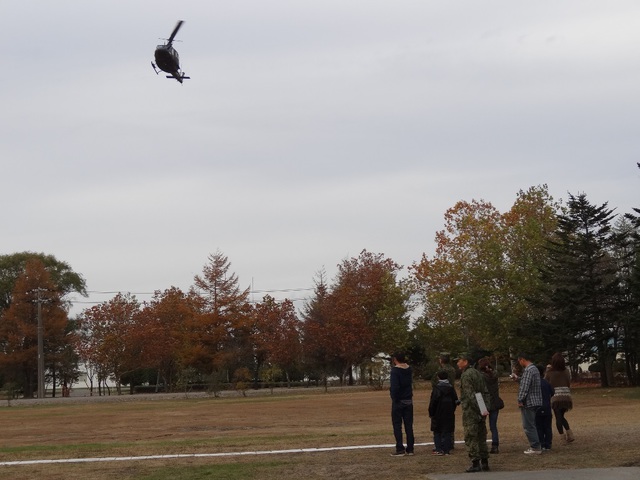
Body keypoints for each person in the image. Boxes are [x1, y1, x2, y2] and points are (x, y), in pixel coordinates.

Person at [456, 353, 490, 472]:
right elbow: (484, 392)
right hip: (481, 407)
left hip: (471, 410)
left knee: (471, 436)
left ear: (465, 362)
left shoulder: (466, 375)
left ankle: (475, 463)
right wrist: (484, 409)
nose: (457, 363)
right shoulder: (477, 373)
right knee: (481, 436)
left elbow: (470, 395)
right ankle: (485, 462)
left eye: (459, 360)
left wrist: (477, 409)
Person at [513, 352, 543, 455]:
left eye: (519, 361)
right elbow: (527, 382)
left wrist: (520, 400)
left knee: (528, 426)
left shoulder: (528, 370)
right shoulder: (534, 369)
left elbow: (525, 387)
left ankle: (535, 447)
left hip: (528, 402)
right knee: (532, 424)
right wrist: (518, 379)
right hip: (536, 400)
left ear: (522, 359)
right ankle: (536, 445)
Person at [545, 352, 575, 443]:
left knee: (558, 417)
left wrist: (547, 369)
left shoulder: (550, 372)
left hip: (556, 397)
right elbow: (568, 383)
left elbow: (546, 382)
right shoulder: (566, 371)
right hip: (566, 396)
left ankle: (562, 438)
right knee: (561, 416)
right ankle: (570, 434)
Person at [389, 352, 415, 456]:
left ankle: (400, 448)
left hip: (399, 401)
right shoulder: (409, 369)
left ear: (395, 359)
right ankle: (410, 448)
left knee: (397, 425)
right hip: (408, 399)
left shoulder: (395, 371)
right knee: (409, 425)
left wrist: (394, 398)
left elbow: (395, 387)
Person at [431, 352, 458, 450]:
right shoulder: (452, 369)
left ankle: (442, 443)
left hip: (441, 395)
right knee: (449, 421)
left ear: (441, 360)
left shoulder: (441, 370)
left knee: (440, 422)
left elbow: (434, 382)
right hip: (451, 395)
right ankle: (450, 442)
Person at [477, 357, 502, 454]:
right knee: (493, 426)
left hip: (484, 403)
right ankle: (495, 445)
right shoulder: (494, 375)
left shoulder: (481, 376)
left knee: (481, 425)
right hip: (495, 402)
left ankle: (482, 445)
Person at [535, 364, 554, 450]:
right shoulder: (546, 383)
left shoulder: (534, 384)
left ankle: (541, 443)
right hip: (547, 407)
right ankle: (548, 444)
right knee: (547, 427)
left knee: (539, 427)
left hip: (537, 408)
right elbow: (552, 392)